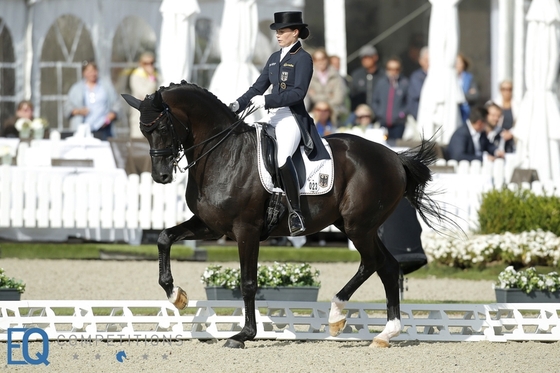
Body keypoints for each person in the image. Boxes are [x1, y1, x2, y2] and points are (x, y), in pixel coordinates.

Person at [229, 11, 330, 235]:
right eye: (276, 31)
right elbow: (257, 87)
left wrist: (267, 100)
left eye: (282, 31)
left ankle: (296, 213)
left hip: (291, 116)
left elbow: (298, 93)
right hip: (272, 115)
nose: (278, 35)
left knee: (282, 157)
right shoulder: (274, 58)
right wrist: (237, 104)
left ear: (295, 33)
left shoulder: (303, 58)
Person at [65, 61, 120, 141]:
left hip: (103, 129)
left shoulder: (106, 86)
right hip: (83, 130)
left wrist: (109, 118)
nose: (92, 74)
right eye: (89, 71)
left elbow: (116, 104)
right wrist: (79, 111)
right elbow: (67, 108)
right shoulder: (76, 88)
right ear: (84, 73)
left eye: (94, 70)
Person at [371, 57, 409, 143]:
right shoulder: (381, 83)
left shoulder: (404, 83)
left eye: (396, 69)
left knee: (396, 147)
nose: (393, 72)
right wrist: (379, 113)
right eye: (390, 69)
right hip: (383, 122)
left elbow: (408, 102)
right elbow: (375, 100)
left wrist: (401, 114)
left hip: (398, 124)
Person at [306, 48, 348, 125]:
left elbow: (339, 98)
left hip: (334, 111)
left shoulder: (336, 76)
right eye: (317, 59)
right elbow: (308, 96)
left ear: (327, 59)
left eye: (322, 58)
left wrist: (323, 103)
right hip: (315, 111)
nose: (320, 62)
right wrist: (328, 96)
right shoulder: (309, 76)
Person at [128, 51, 161, 139]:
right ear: (141, 63)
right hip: (140, 117)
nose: (149, 66)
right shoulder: (136, 76)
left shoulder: (158, 76)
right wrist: (151, 78)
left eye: (151, 63)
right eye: (146, 63)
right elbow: (146, 94)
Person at [348, 44, 383, 113]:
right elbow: (352, 95)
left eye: (368, 57)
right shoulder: (357, 75)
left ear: (375, 57)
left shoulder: (382, 75)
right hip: (360, 114)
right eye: (363, 58)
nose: (365, 60)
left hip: (379, 113)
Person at [456, 53, 480, 124]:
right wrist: (467, 94)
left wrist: (460, 95)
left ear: (463, 64)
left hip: (466, 111)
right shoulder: (451, 78)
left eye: (459, 63)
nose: (457, 65)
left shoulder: (469, 78)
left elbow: (475, 95)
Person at [407, 46, 429, 121]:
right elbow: (420, 94)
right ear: (420, 61)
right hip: (419, 116)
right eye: (426, 60)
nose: (428, 63)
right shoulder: (416, 77)